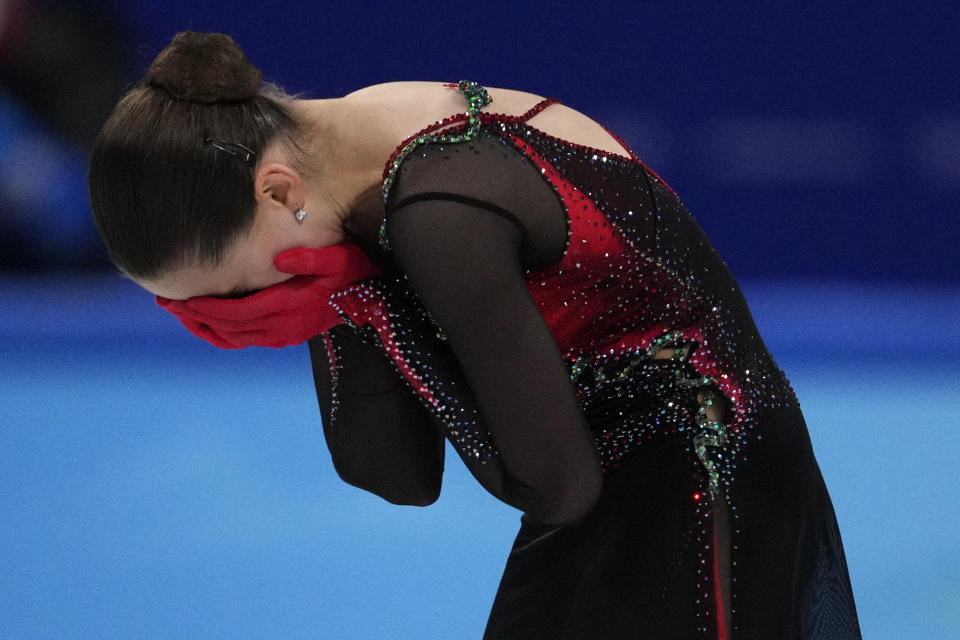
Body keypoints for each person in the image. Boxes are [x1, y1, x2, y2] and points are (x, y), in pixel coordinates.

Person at [88, 31, 863, 639]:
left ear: (276, 190)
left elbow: (556, 485)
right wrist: (346, 301)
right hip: (614, 474)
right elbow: (396, 476)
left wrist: (366, 297)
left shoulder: (439, 208)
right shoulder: (331, 173)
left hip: (703, 472)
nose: (229, 319)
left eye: (230, 293)